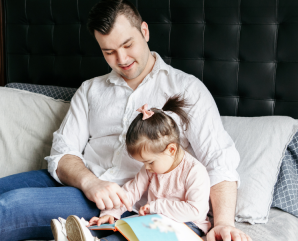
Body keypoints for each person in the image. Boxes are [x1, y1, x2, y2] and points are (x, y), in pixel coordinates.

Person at [0, 0, 251, 241]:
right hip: (81, 183)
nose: (121, 58)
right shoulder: (90, 89)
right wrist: (88, 181)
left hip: (118, 200)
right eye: (109, 51)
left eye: (128, 44)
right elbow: (63, 151)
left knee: (10, 207)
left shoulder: (186, 89)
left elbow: (220, 163)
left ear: (144, 31)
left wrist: (222, 223)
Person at [52, 96, 211, 241]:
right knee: (124, 228)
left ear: (171, 150)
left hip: (189, 225)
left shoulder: (195, 172)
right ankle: (86, 234)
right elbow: (131, 191)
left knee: (143, 235)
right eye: (143, 163)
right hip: (157, 219)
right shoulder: (151, 168)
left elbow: (195, 209)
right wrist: (111, 214)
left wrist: (156, 206)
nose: (146, 168)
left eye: (149, 162)